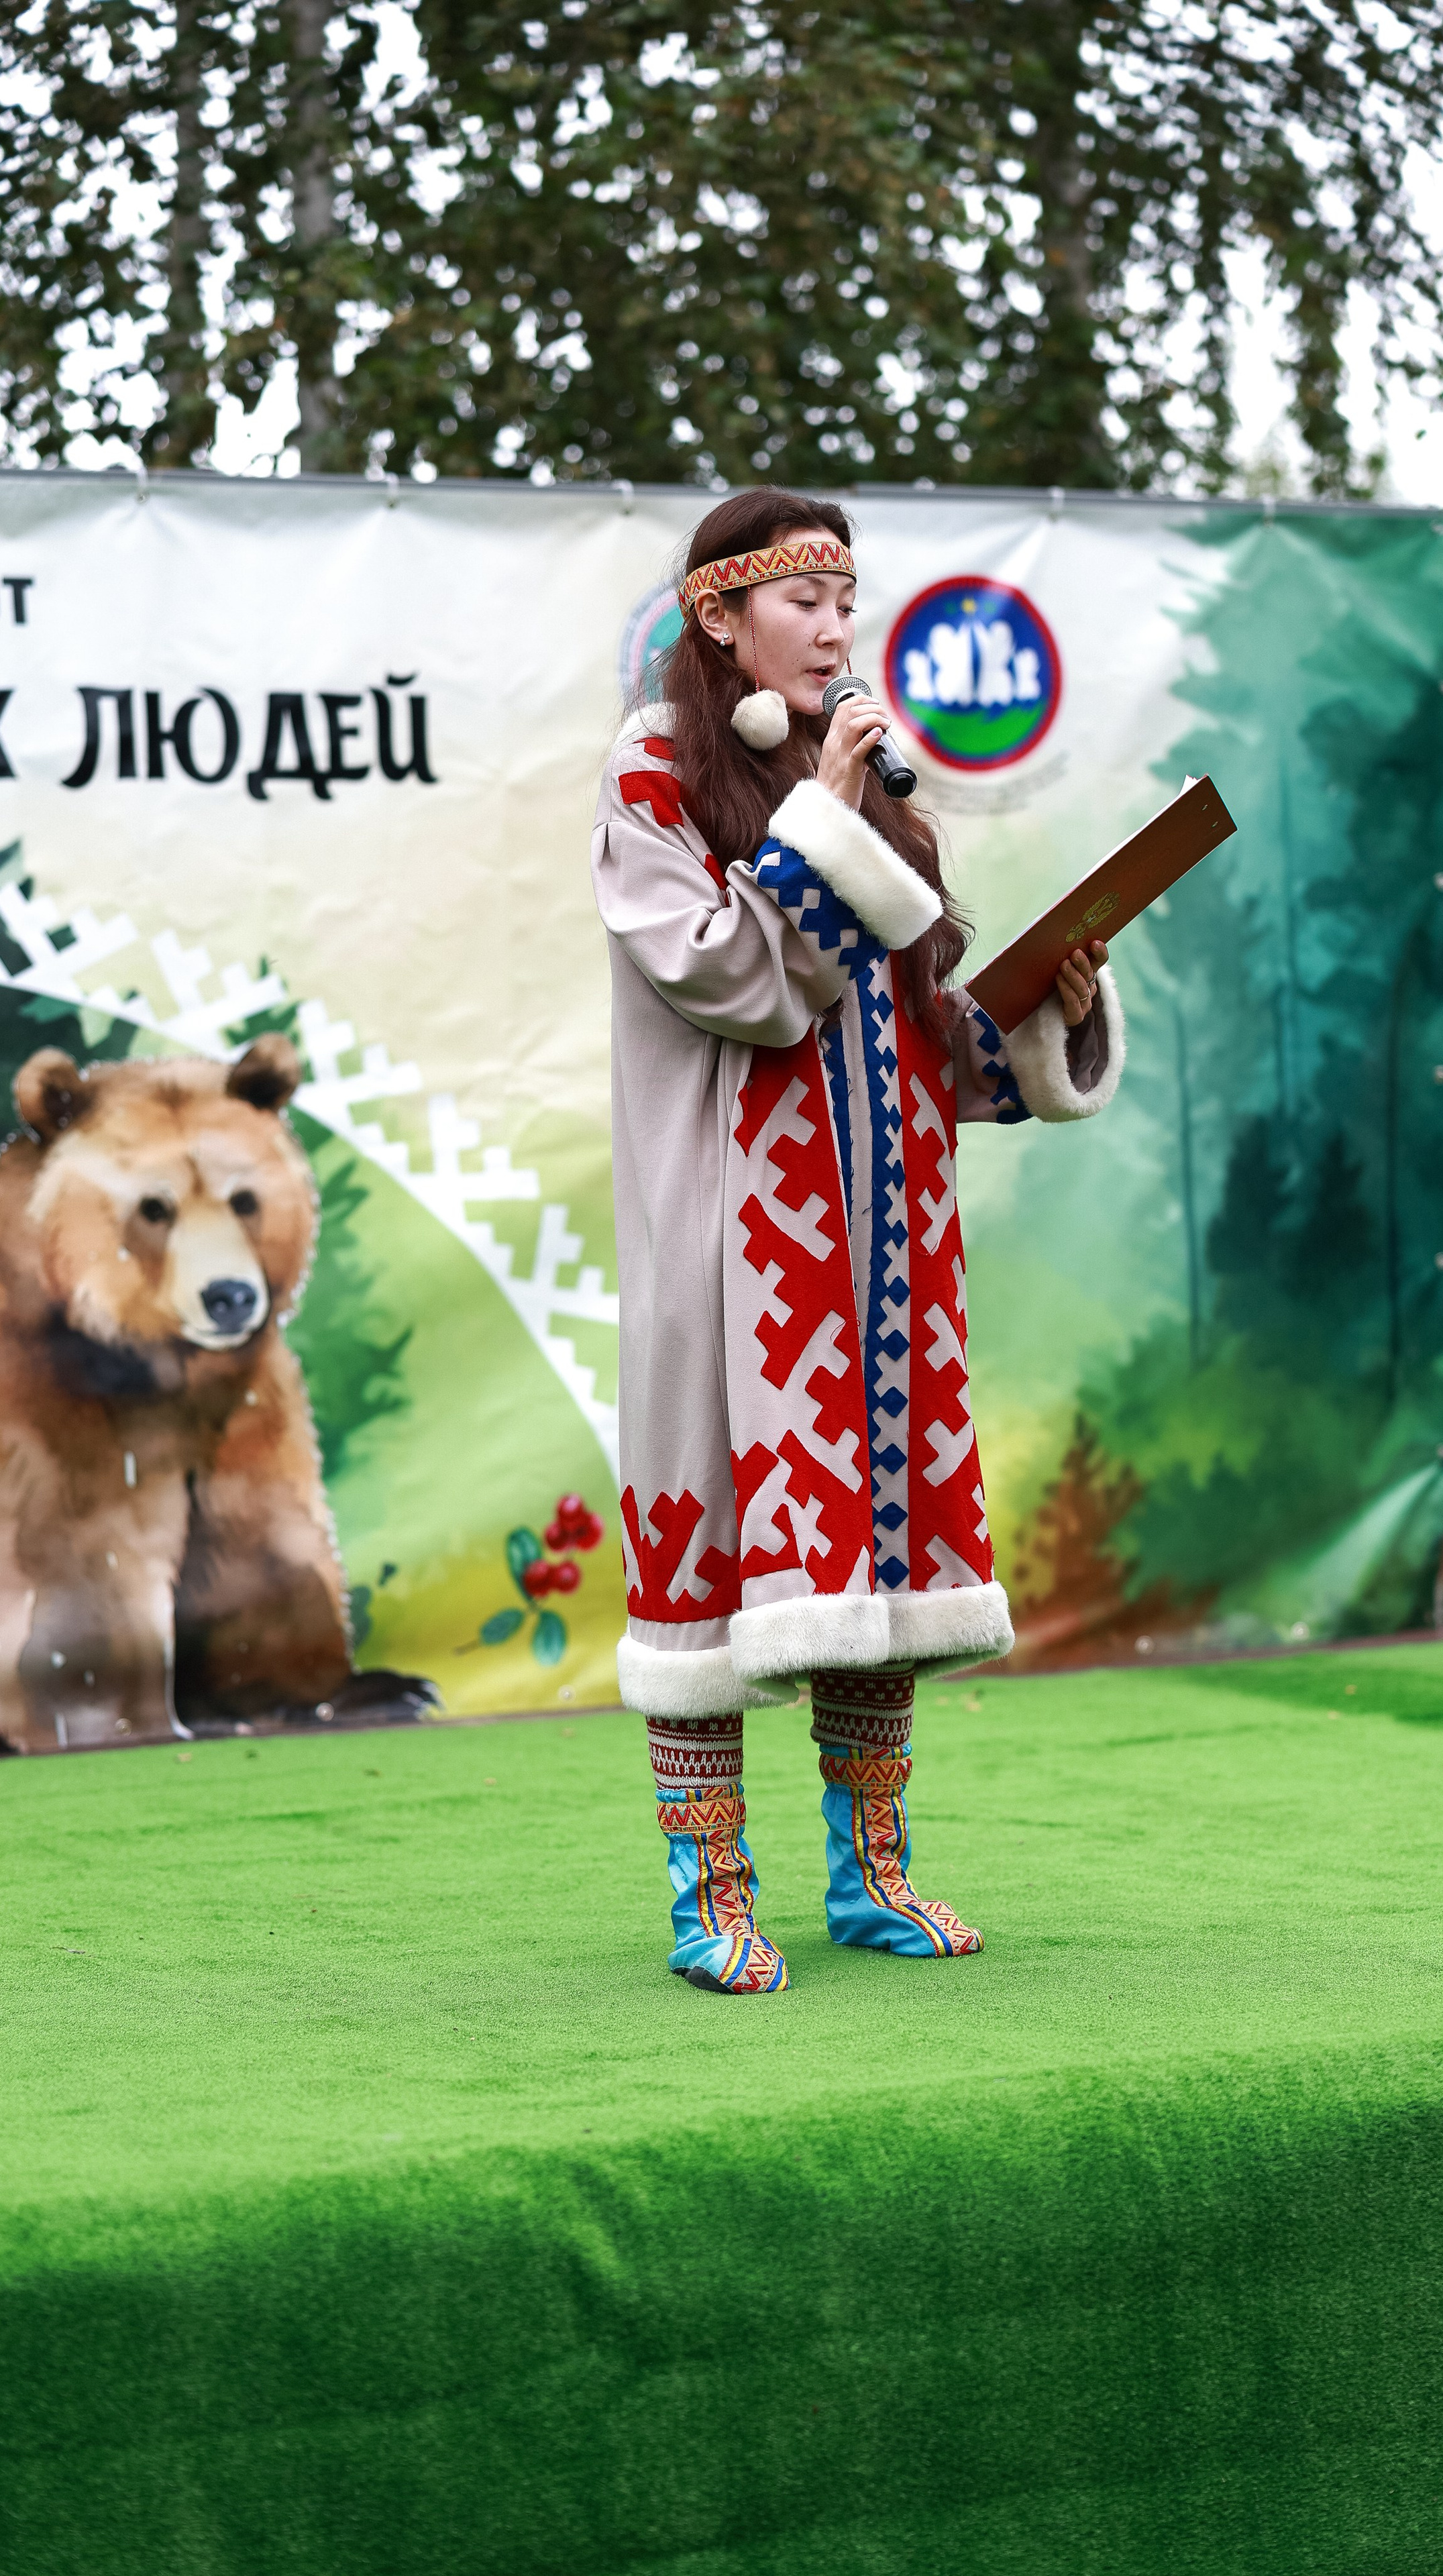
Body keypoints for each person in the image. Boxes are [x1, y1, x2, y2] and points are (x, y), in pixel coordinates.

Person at [591, 487, 1122, 1993]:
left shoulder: (871, 792)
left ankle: (871, 1874)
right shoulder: (653, 780)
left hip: (884, 1252)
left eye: (846, 599)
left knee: (876, 1550)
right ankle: (708, 1893)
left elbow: (919, 1045)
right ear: (719, 617)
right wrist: (831, 814)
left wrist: (1043, 1013)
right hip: (731, 1252)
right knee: (706, 1568)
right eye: (802, 601)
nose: (835, 628)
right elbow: (730, 980)